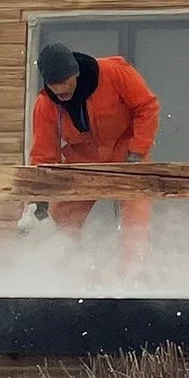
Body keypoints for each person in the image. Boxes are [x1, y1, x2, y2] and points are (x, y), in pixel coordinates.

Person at [27, 41, 159, 259]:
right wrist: (39, 198)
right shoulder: (45, 105)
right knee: (60, 219)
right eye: (53, 84)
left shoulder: (115, 73)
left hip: (127, 154)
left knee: (135, 221)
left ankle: (134, 273)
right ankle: (59, 270)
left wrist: (137, 152)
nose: (60, 89)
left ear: (75, 74)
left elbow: (147, 106)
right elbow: (44, 154)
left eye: (64, 82)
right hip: (82, 161)